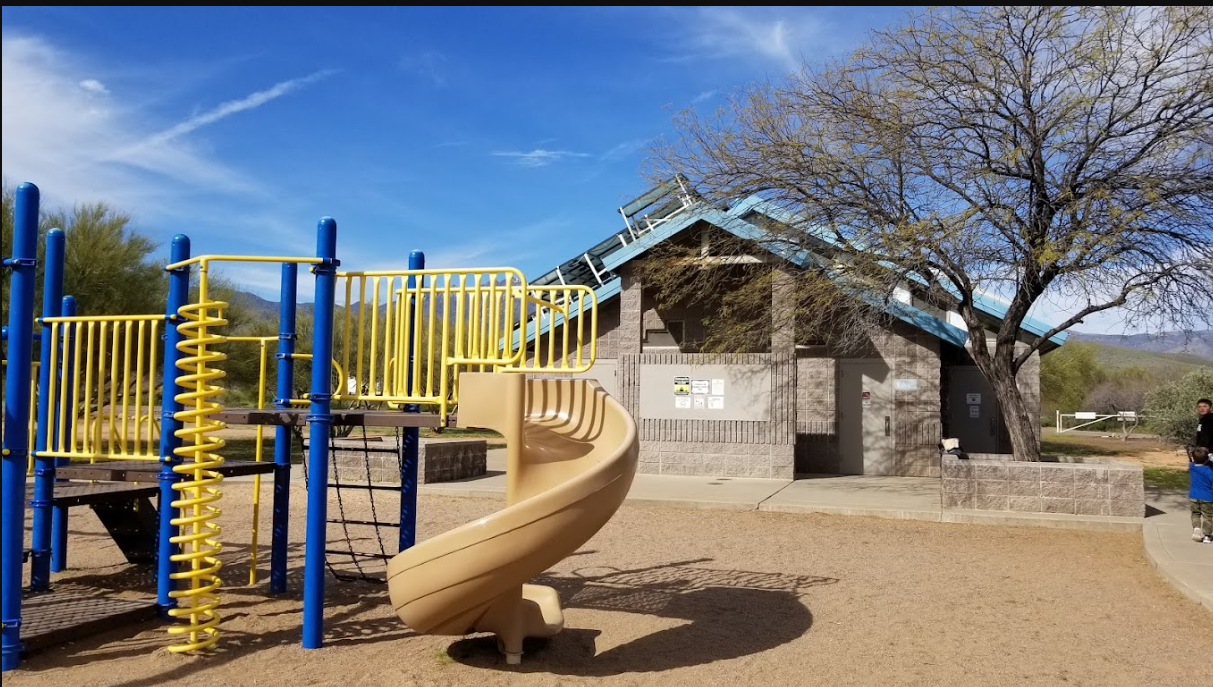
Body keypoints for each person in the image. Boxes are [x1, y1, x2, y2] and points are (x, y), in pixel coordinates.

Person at [1188, 446, 1213, 543]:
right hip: (1207, 497)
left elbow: (1193, 461)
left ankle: (1196, 529)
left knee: (1195, 513)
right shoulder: (1208, 471)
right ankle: (1207, 535)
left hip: (1193, 496)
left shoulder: (1192, 466)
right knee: (1207, 516)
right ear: (1207, 459)